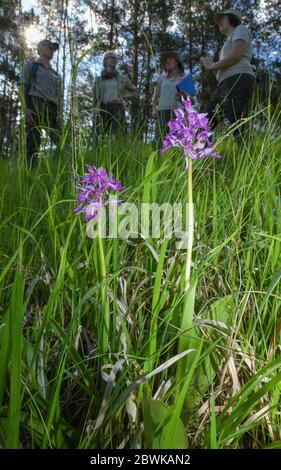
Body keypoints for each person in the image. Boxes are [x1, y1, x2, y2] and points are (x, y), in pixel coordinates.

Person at [200, 9, 255, 139]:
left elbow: (236, 56)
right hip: (225, 83)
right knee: (205, 122)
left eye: (223, 18)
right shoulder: (227, 42)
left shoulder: (240, 29)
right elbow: (225, 68)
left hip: (238, 79)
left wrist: (212, 65)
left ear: (232, 18)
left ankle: (248, 157)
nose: (220, 22)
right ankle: (203, 157)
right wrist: (212, 66)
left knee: (237, 123)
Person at [93, 51, 138, 138]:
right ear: (105, 61)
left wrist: (123, 97)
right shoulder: (98, 80)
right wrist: (94, 112)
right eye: (111, 57)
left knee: (119, 135)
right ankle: (97, 151)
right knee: (98, 136)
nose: (114, 59)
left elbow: (135, 92)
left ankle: (119, 151)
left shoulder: (122, 78)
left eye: (116, 58)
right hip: (102, 109)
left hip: (117, 108)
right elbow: (95, 98)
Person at [152, 51, 189, 146]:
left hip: (178, 112)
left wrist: (184, 95)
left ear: (177, 62)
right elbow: (155, 97)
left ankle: (176, 160)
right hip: (162, 111)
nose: (167, 61)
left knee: (178, 139)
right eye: (166, 60)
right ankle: (156, 159)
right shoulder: (161, 78)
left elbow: (190, 99)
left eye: (170, 59)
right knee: (159, 139)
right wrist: (154, 110)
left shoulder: (185, 77)